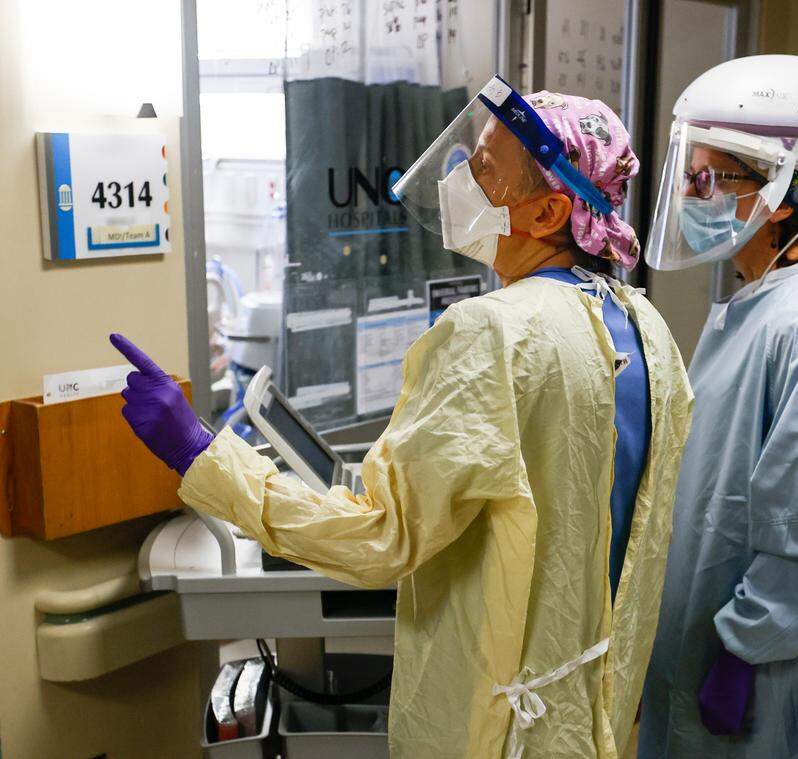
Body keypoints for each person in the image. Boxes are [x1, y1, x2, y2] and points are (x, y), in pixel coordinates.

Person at [112, 78, 693, 759]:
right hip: (597, 720)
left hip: (502, 733)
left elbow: (380, 536)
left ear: (548, 213)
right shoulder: (650, 332)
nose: (458, 180)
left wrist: (199, 454)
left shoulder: (493, 335)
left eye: (482, 169)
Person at [637, 55, 798, 758]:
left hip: (760, 668)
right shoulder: (754, 305)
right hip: (709, 635)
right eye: (687, 178)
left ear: (780, 196)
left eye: (708, 180)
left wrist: (742, 652)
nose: (693, 198)